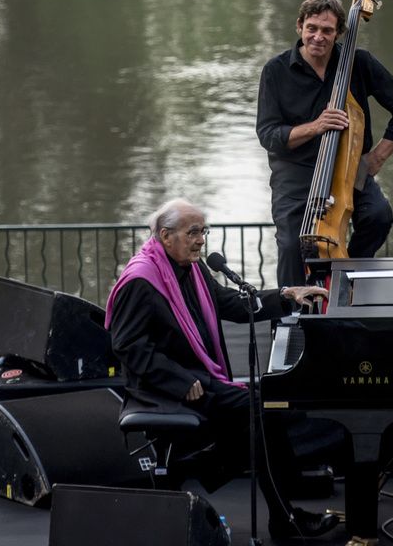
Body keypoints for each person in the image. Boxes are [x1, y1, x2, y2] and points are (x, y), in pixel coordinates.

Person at [106, 198, 339, 541]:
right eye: (193, 232)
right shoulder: (141, 280)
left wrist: (285, 296)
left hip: (198, 377)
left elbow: (228, 303)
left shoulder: (192, 269)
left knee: (269, 405)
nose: (201, 240)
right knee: (260, 410)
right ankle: (282, 518)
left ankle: (220, 480)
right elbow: (128, 346)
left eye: (204, 231)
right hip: (162, 386)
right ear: (166, 236)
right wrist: (180, 380)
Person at [257, 0, 393, 288]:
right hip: (296, 175)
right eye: (312, 28)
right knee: (292, 246)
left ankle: (343, 279)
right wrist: (316, 126)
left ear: (340, 32)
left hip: (348, 168)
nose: (318, 37)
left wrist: (376, 158)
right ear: (299, 26)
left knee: (378, 216)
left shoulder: (359, 63)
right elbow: (269, 135)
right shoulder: (275, 71)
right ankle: (290, 310)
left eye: (327, 30)